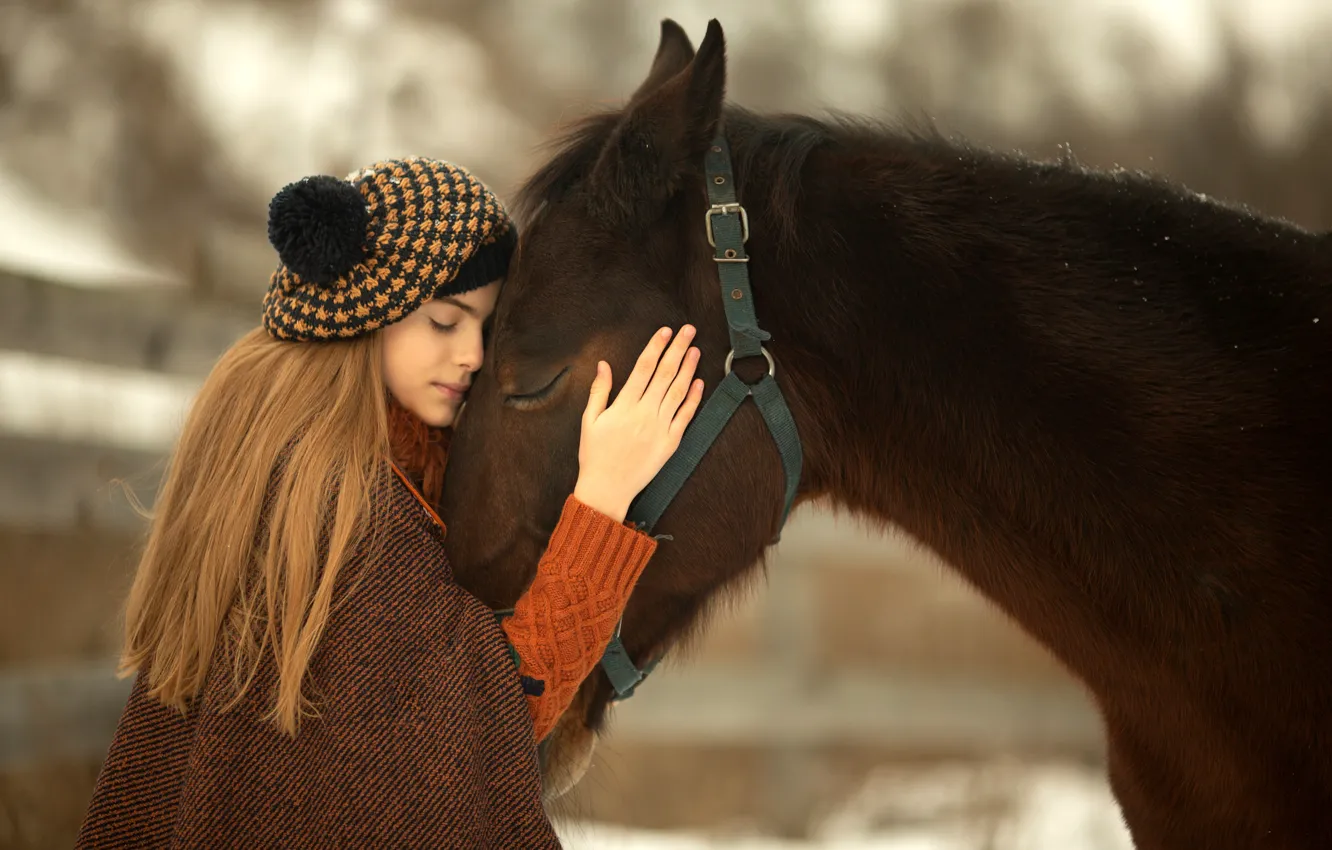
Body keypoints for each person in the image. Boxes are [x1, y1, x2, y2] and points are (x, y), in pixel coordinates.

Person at [75, 156, 703, 848]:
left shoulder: (273, 453)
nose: (472, 355)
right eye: (445, 321)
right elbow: (490, 719)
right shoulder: (346, 504)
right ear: (366, 312)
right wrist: (603, 498)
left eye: (484, 329)